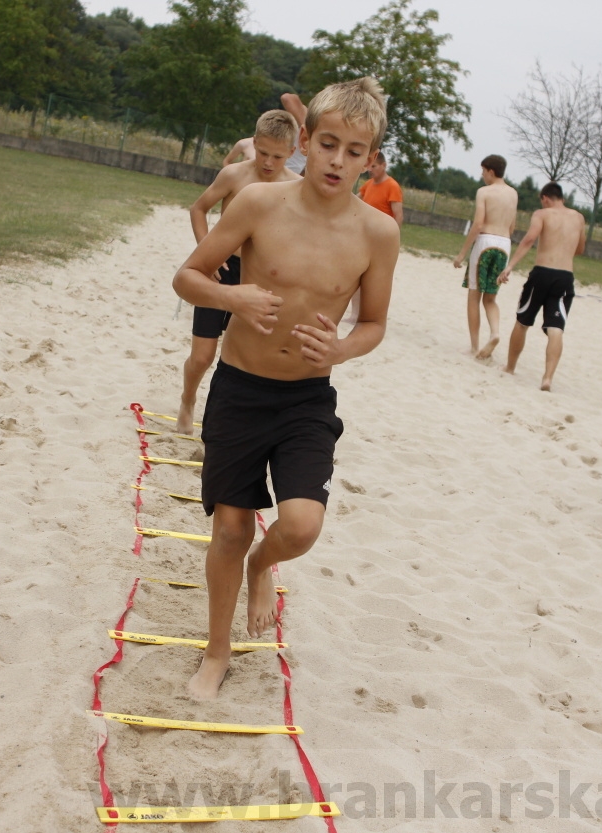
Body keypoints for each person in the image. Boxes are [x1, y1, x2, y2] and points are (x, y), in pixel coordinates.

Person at [172, 78, 398, 700]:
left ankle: (262, 567)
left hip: (305, 398)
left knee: (298, 526)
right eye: (328, 144)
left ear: (371, 159)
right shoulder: (258, 204)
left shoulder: (378, 234)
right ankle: (216, 654)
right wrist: (231, 295)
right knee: (230, 528)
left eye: (355, 152)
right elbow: (187, 277)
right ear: (306, 140)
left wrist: (342, 348)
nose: (338, 161)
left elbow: (374, 323)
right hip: (241, 388)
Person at [176, 110, 301, 435]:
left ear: (292, 152)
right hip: (221, 272)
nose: (269, 162)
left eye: (277, 156)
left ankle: (221, 420)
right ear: (253, 143)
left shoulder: (296, 186)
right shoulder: (234, 175)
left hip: (259, 278)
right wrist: (208, 253)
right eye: (263, 153)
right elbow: (198, 208)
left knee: (238, 359)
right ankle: (188, 399)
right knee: (203, 356)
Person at [500, 181, 585, 391]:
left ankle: (510, 367)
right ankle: (547, 378)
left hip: (542, 273)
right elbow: (580, 249)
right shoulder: (578, 217)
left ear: (545, 198)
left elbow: (529, 239)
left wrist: (510, 266)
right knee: (556, 329)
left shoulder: (542, 214)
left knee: (523, 321)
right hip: (565, 276)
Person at [453, 156, 518, 359]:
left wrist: (463, 253)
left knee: (474, 295)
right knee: (490, 298)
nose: (482, 175)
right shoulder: (513, 194)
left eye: (483, 171)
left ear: (491, 171)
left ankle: (474, 346)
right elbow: (512, 226)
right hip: (504, 244)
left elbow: (478, 223)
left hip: (485, 242)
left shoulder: (484, 192)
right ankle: (495, 332)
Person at [357, 150, 404, 228]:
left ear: (384, 165)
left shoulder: (392, 186)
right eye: (369, 166)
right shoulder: (368, 184)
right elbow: (355, 199)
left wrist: (392, 237)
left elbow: (398, 216)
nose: (370, 170)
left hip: (381, 232)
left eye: (373, 166)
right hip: (365, 230)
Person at [280, 93, 308, 175]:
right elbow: (287, 98)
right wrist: (308, 131)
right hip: (284, 172)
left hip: (296, 173)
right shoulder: (306, 117)